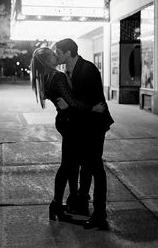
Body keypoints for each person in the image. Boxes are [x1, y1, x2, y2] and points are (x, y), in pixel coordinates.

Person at [30, 47, 105, 223]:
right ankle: (58, 203)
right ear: (48, 60)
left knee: (70, 165)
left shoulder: (45, 78)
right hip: (70, 123)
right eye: (53, 55)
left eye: (57, 53)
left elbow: (66, 101)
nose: (56, 56)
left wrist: (67, 104)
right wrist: (92, 108)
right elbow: (71, 101)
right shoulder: (57, 76)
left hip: (65, 121)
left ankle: (66, 202)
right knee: (68, 166)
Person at [54, 38, 114, 229]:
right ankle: (82, 204)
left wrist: (69, 107)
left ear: (68, 53)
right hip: (81, 127)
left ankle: (100, 215)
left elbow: (95, 106)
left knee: (96, 168)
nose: (56, 56)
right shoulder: (68, 72)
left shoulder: (88, 69)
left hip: (94, 127)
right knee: (86, 167)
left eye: (59, 52)